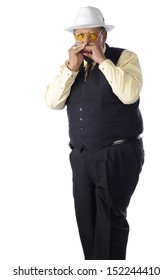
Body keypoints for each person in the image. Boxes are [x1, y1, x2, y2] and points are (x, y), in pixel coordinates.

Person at [45, 6, 144, 260]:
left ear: (103, 36)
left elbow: (130, 94)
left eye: (92, 35)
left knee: (109, 223)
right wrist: (70, 67)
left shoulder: (124, 58)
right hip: (81, 157)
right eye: (80, 37)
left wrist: (102, 61)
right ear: (74, 39)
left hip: (117, 153)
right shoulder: (72, 66)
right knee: (86, 222)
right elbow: (52, 101)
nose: (86, 42)